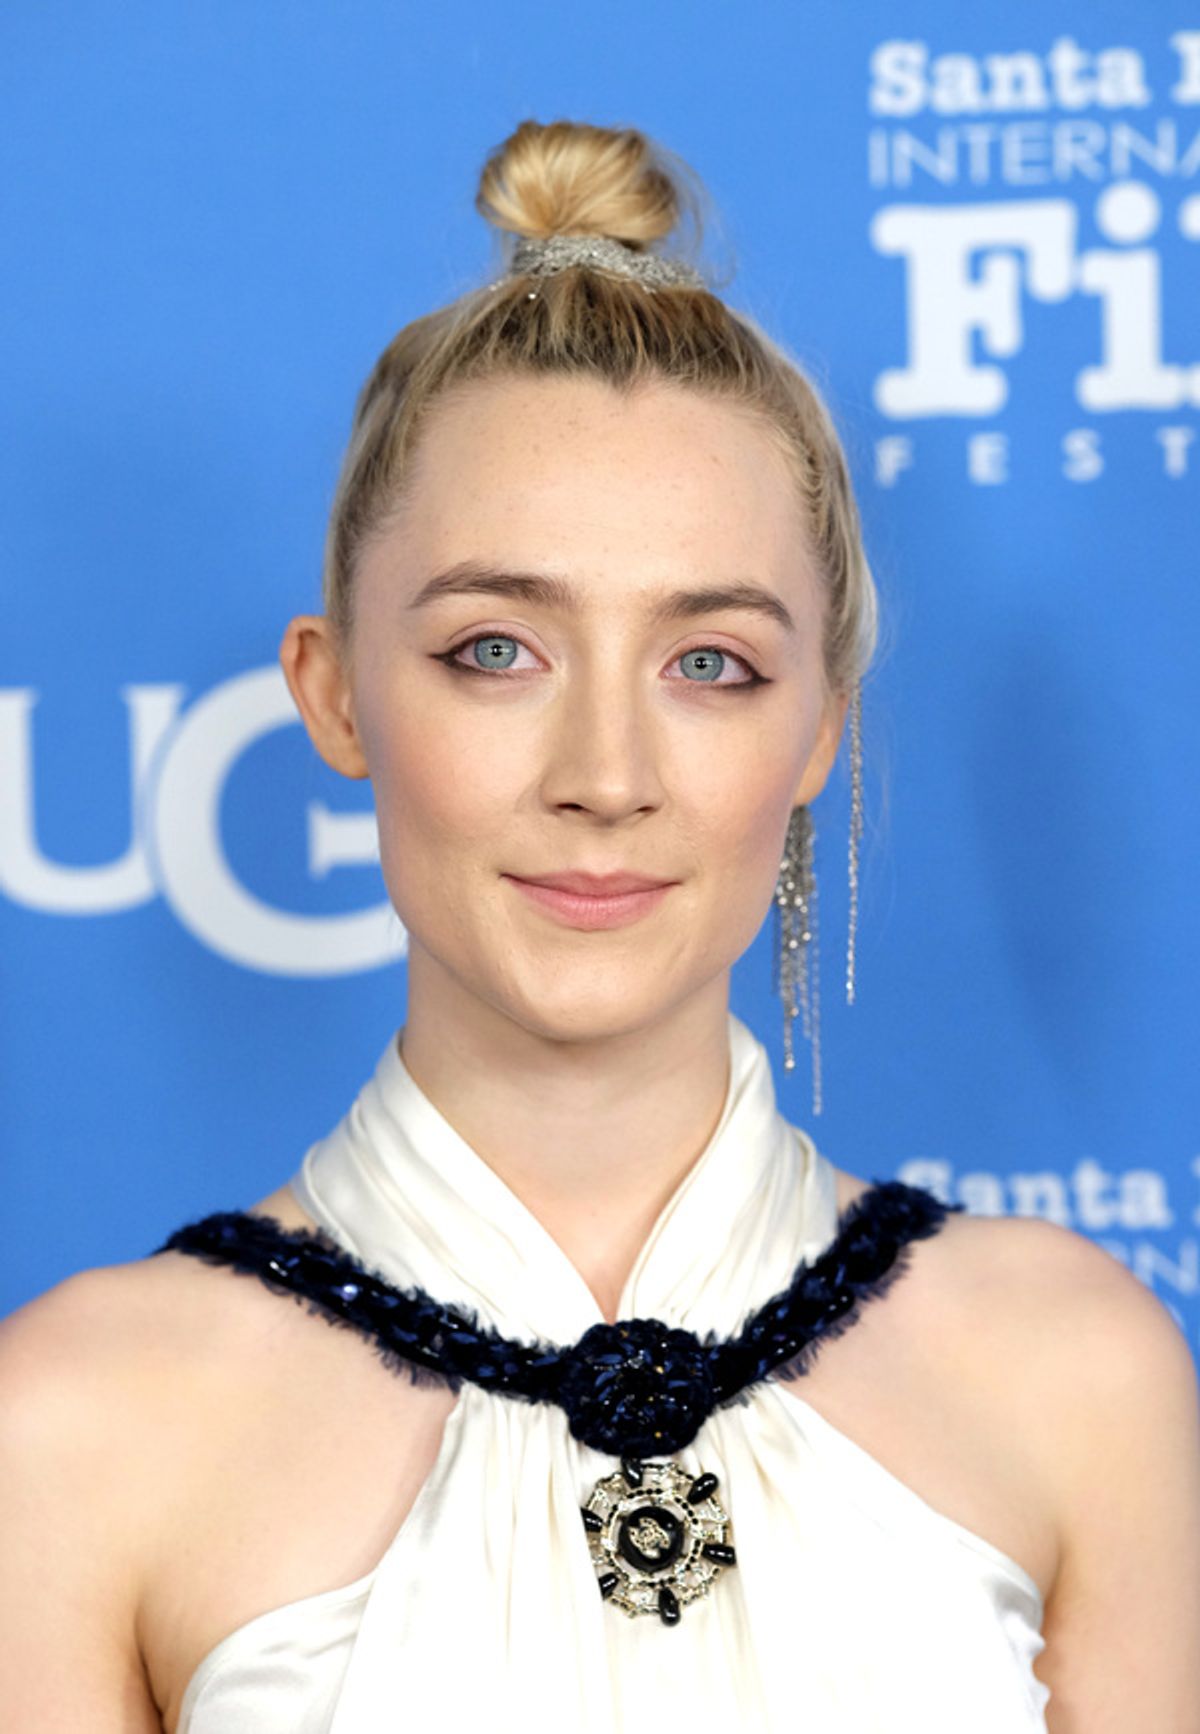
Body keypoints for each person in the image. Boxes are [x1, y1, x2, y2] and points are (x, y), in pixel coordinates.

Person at [1, 117, 1198, 1734]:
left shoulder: (1079, 1376)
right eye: (499, 648)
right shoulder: (75, 1424)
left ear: (819, 729)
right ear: (334, 691)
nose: (607, 776)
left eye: (710, 663)